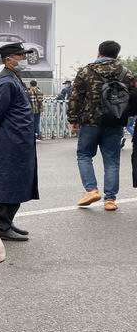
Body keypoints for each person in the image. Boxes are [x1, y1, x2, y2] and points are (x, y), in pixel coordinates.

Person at [67, 40, 135, 211]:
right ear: (117, 54)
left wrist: (73, 120)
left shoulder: (86, 71)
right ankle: (110, 200)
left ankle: (91, 190)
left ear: (99, 52)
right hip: (115, 121)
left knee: (84, 155)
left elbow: (76, 97)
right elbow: (133, 98)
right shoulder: (126, 73)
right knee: (112, 161)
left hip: (90, 122)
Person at [0, 43, 39, 241]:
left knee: (18, 180)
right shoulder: (6, 82)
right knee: (7, 180)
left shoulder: (13, 77)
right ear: (8, 59)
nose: (24, 59)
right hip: (9, 140)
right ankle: (2, 225)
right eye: (20, 55)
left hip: (17, 139)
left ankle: (8, 221)